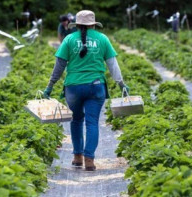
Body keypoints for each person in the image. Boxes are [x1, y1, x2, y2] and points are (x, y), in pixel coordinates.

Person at [43, 10, 129, 171]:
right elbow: (113, 65)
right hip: (96, 87)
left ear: (77, 25)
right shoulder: (102, 39)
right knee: (92, 122)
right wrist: (121, 84)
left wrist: (50, 86)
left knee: (76, 121)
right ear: (93, 25)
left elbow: (59, 66)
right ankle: (89, 159)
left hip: (73, 87)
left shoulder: (69, 39)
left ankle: (77, 157)